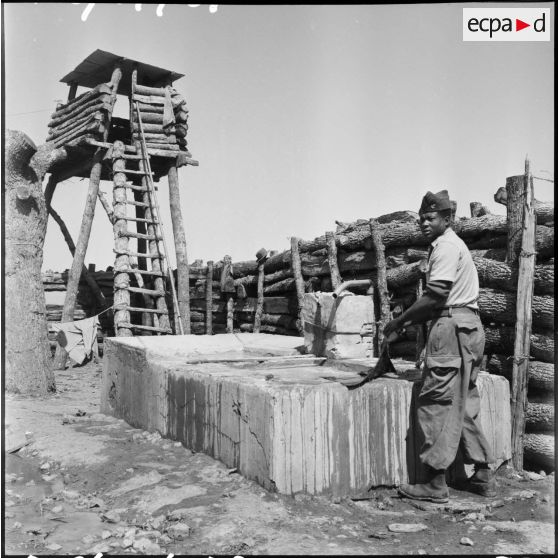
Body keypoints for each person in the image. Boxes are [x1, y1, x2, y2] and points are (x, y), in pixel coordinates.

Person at [383, 190, 495, 503]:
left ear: (447, 219)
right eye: (421, 218)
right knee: (463, 402)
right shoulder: (452, 245)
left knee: (435, 401)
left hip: (452, 326)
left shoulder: (445, 246)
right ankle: (484, 472)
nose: (424, 223)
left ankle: (434, 484)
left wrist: (398, 323)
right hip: (468, 325)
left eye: (431, 218)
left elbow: (435, 296)